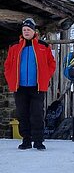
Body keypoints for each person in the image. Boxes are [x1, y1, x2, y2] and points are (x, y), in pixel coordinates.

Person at [4, 18, 56, 150]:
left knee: (37, 113)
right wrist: (10, 79)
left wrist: (45, 76)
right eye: (24, 30)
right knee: (23, 114)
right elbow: (8, 65)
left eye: (29, 30)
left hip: (37, 87)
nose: (26, 32)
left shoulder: (43, 46)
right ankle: (26, 140)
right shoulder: (14, 47)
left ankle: (38, 140)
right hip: (20, 87)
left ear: (34, 31)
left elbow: (52, 64)